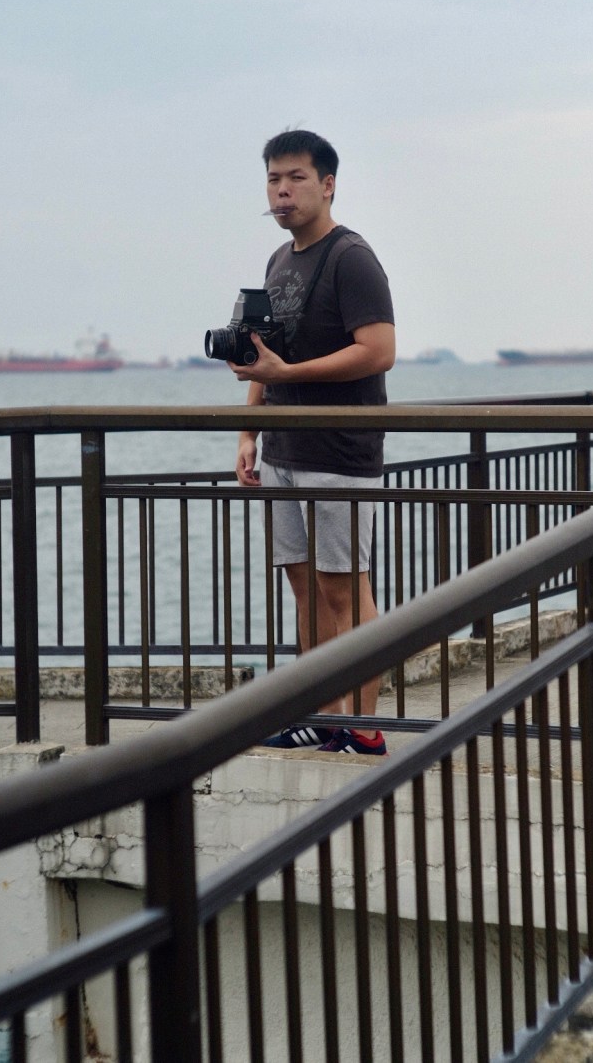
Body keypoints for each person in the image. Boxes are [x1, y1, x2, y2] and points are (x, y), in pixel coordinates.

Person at [234, 130, 396, 754]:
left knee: (344, 588)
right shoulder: (279, 260)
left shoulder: (351, 257)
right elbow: (264, 356)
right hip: (283, 450)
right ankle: (325, 715)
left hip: (339, 452)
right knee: (305, 586)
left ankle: (366, 726)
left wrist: (289, 375)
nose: (282, 191)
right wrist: (249, 431)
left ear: (327, 185)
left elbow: (378, 350)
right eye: (273, 179)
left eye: (296, 178)